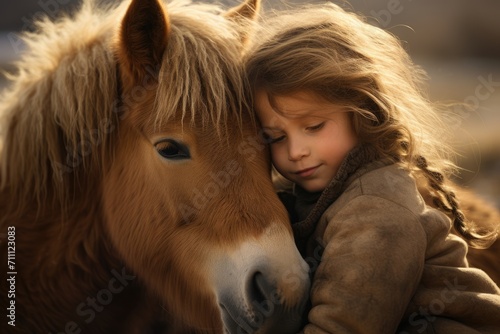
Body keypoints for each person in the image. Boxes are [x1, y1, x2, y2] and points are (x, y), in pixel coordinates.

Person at [244, 3, 500, 333]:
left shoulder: (377, 208)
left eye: (314, 127)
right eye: (276, 137)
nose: (295, 152)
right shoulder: (319, 192)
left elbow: (345, 325)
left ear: (364, 111)